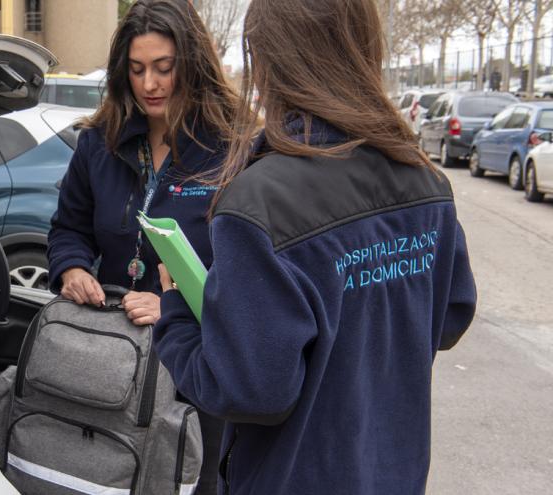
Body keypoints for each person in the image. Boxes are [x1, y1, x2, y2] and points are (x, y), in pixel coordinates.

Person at [154, 0, 477, 494]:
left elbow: (252, 391)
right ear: (362, 48)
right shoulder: (423, 176)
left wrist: (175, 311)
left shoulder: (259, 202)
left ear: (266, 59)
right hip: (395, 470)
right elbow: (450, 314)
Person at [46, 1, 240, 492]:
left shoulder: (233, 149)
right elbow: (68, 228)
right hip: (113, 360)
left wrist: (173, 304)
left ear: (192, 66)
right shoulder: (99, 144)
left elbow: (251, 268)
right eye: (136, 70)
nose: (149, 84)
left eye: (163, 68)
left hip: (192, 369)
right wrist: (71, 269)